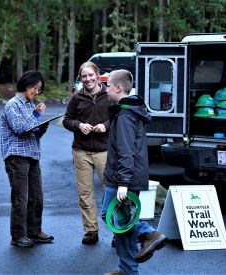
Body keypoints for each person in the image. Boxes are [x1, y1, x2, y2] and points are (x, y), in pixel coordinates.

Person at [101, 69, 168, 275]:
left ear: (118, 87)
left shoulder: (125, 115)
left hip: (124, 179)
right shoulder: (131, 110)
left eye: (108, 85)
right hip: (128, 177)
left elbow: (126, 151)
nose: (105, 89)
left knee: (110, 215)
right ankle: (128, 270)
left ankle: (149, 233)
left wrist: (123, 183)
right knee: (122, 227)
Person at [0, 70, 54, 248]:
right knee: (20, 198)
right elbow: (20, 128)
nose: (36, 92)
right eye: (34, 87)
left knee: (37, 197)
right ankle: (18, 235)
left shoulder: (32, 104)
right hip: (16, 157)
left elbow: (34, 134)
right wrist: (37, 115)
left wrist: (43, 126)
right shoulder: (12, 104)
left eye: (39, 89)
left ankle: (34, 231)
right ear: (25, 84)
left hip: (32, 154)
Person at [63, 61, 110, 245]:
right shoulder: (77, 98)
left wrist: (105, 126)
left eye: (91, 75)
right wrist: (78, 125)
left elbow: (117, 119)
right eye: (84, 76)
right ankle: (91, 230)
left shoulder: (109, 95)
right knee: (85, 193)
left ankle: (118, 231)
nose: (88, 79)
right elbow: (66, 120)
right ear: (81, 79)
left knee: (111, 192)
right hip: (81, 151)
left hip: (104, 151)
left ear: (98, 75)